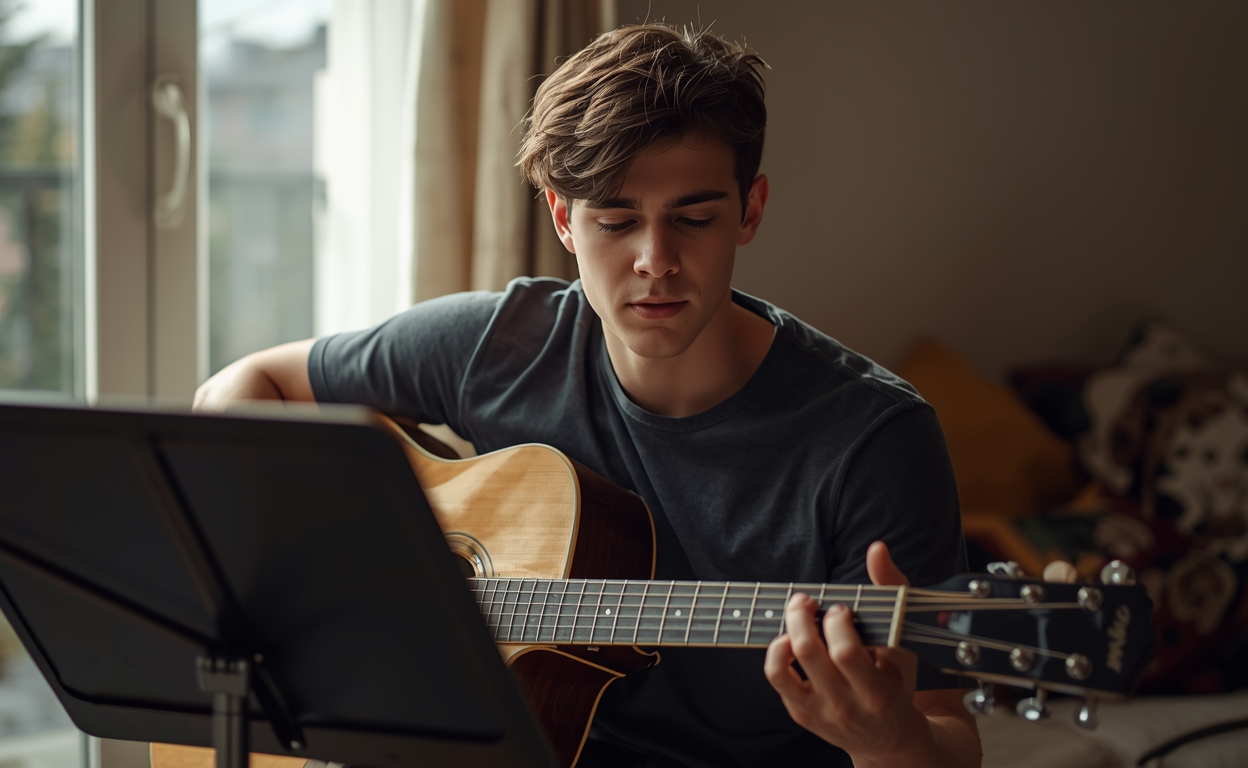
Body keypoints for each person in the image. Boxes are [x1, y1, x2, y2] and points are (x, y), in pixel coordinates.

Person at [195, 23, 981, 768]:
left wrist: (888, 741)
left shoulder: (875, 439)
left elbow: (947, 733)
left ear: (751, 209)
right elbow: (247, 385)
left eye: (694, 217)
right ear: (563, 218)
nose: (655, 260)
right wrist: (309, 571)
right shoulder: (500, 344)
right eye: (615, 220)